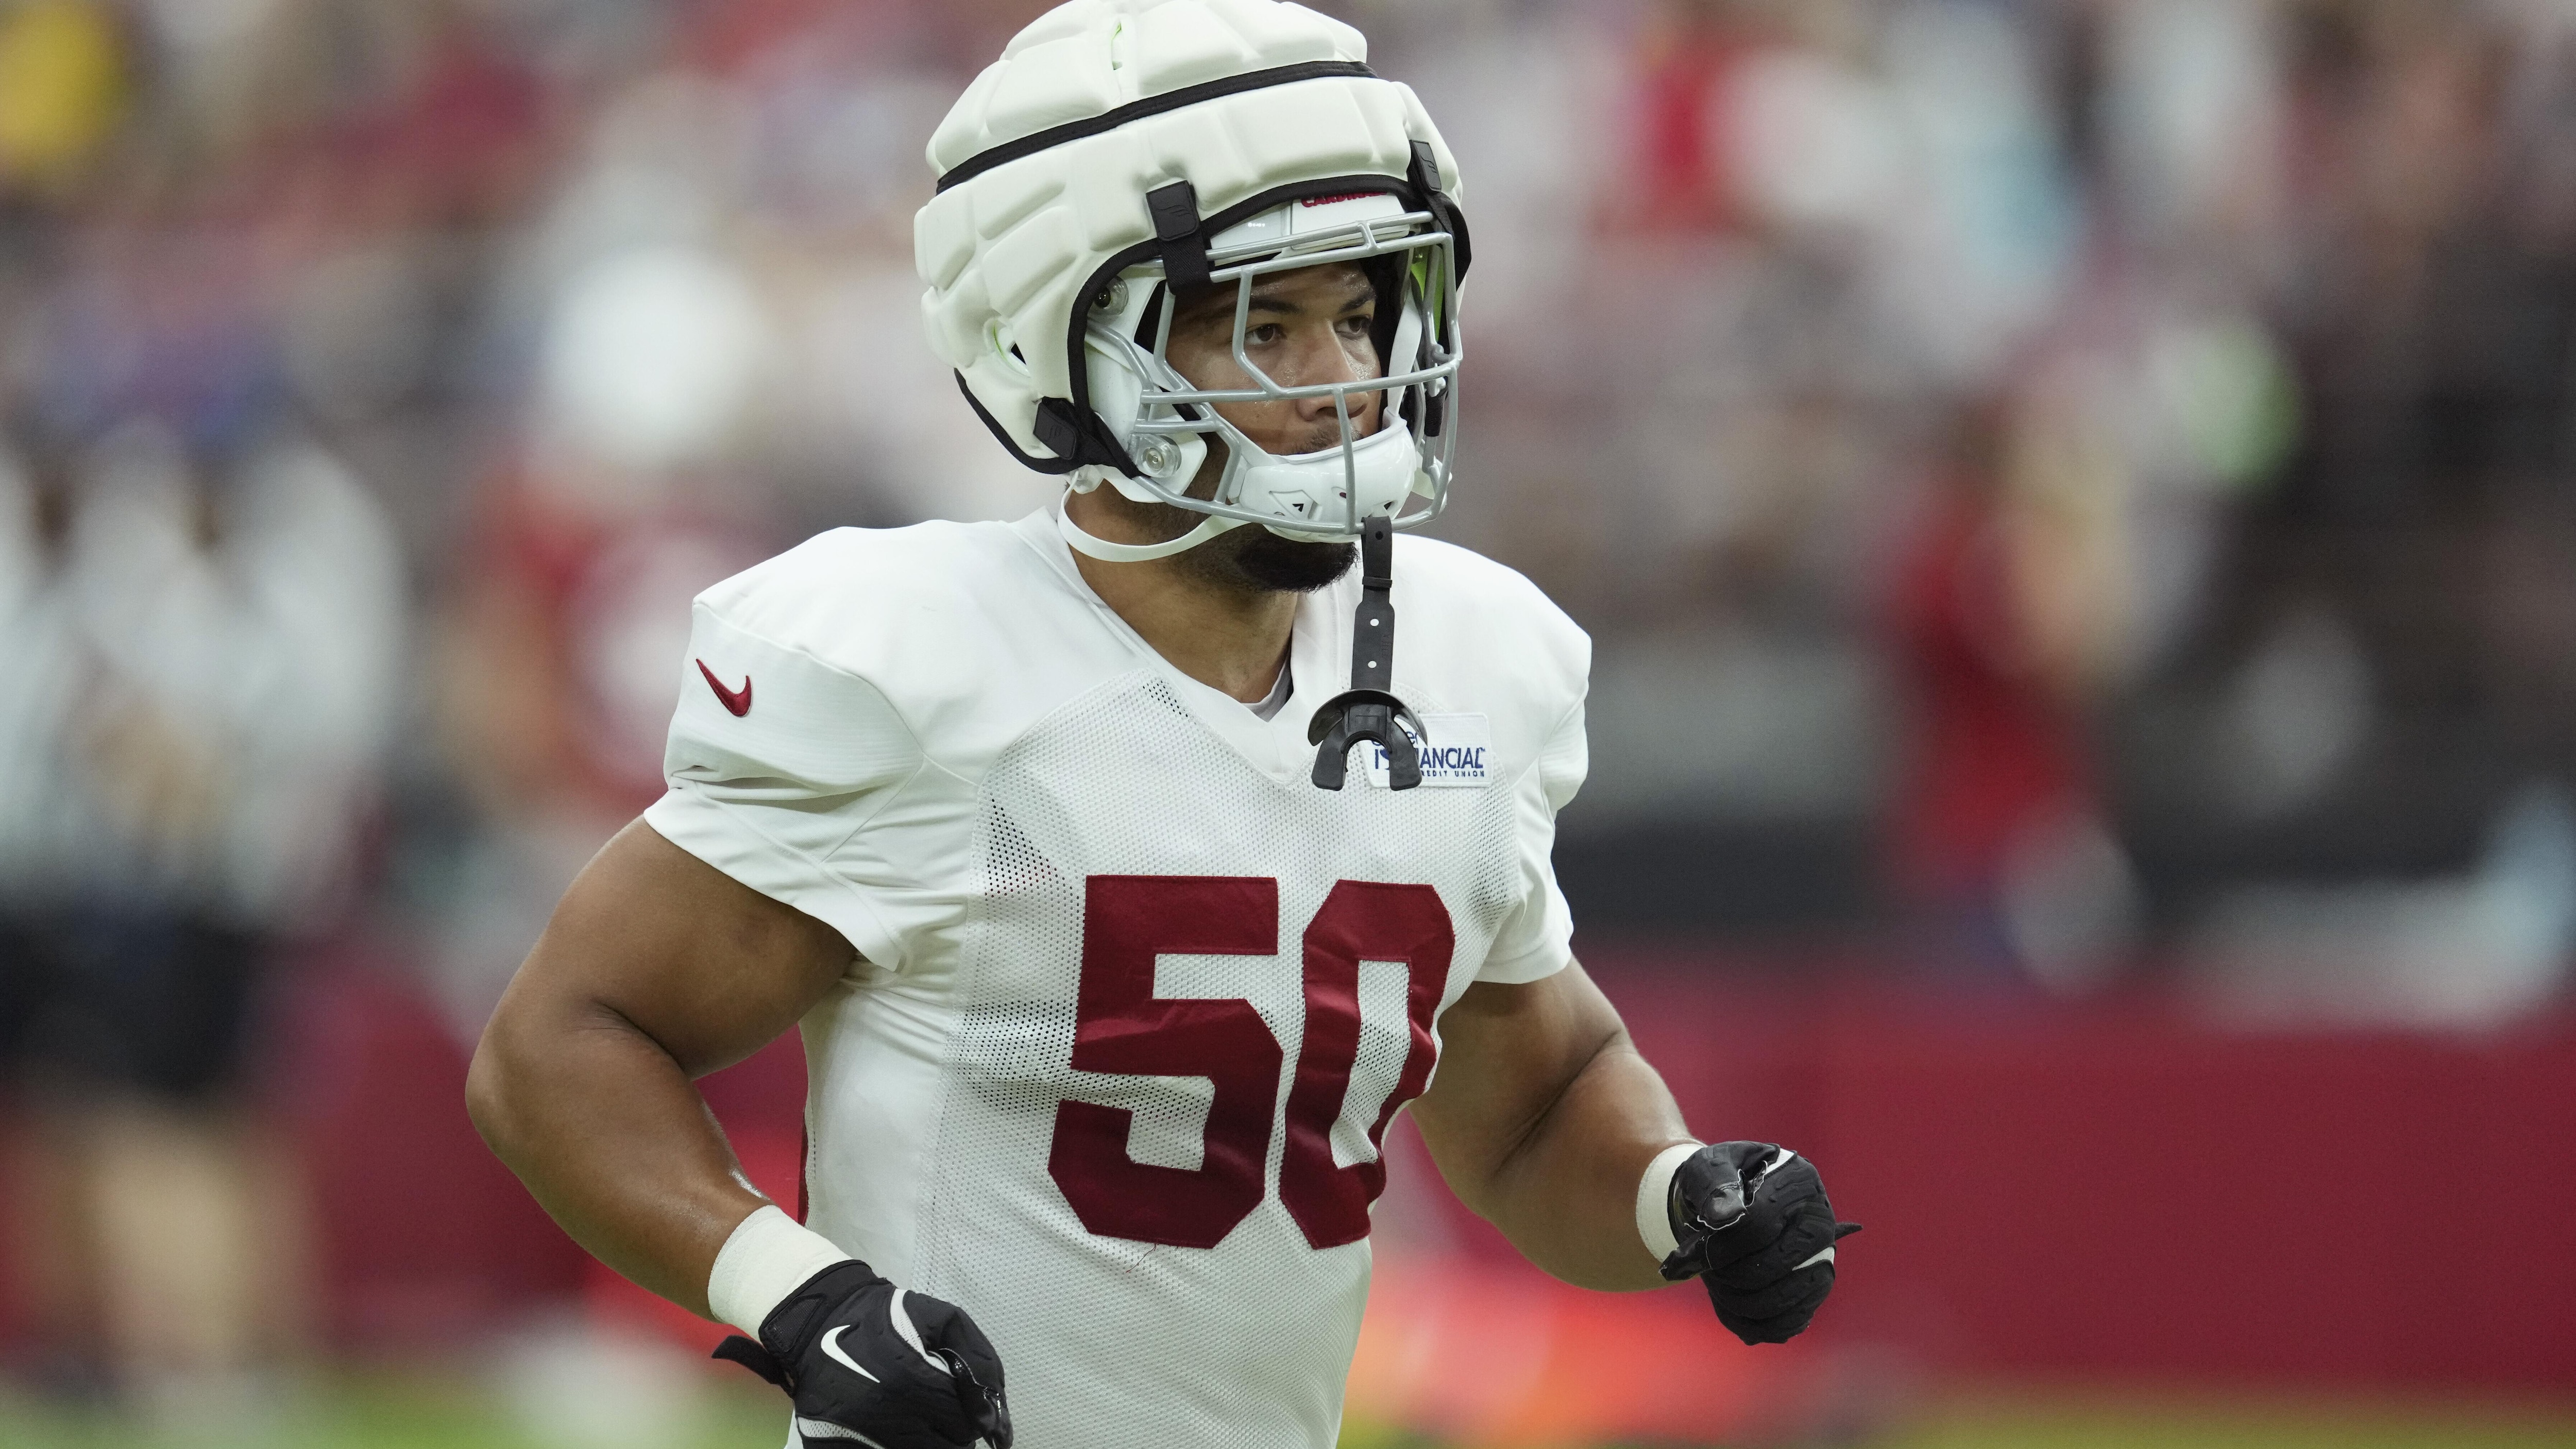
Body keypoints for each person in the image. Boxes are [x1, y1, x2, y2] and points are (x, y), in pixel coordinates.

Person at [467, 4, 1855, 1445]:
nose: (1342, 378)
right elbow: (563, 1042)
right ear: (1073, 340)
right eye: (1264, 322)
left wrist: (1679, 1192)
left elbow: (1533, 1101)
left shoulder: (1468, 663)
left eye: (1362, 311)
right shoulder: (932, 668)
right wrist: (795, 1294)